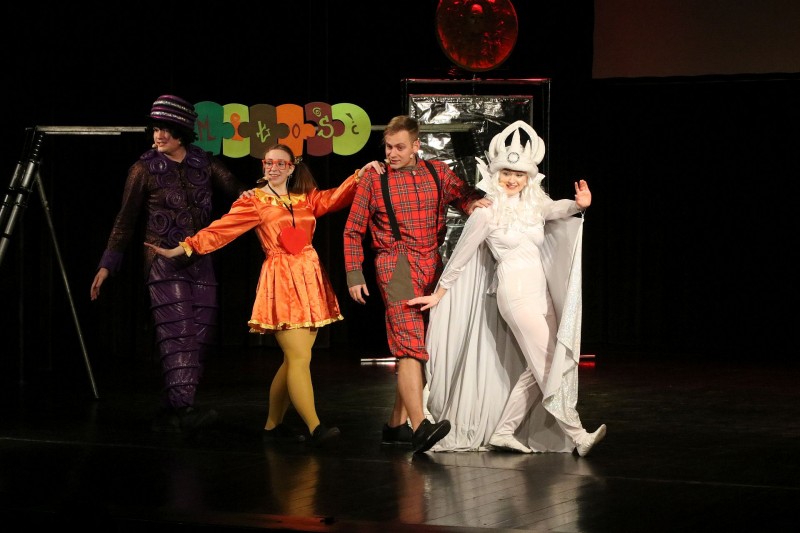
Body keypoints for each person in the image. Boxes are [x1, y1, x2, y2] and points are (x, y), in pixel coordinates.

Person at [146, 143, 380, 447]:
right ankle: (315, 427)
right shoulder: (254, 201)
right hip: (282, 281)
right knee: (298, 358)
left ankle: (272, 426)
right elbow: (221, 230)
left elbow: (334, 198)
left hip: (310, 279)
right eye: (268, 162)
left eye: (280, 163)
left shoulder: (305, 198)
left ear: (291, 167)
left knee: (295, 359)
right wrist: (182, 248)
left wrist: (360, 175)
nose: (273, 167)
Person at [408, 120, 607, 457]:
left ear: (529, 177)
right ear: (495, 174)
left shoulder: (534, 207)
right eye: (506, 173)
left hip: (540, 294)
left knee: (539, 366)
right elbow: (461, 255)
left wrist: (579, 205)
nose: (512, 179)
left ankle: (504, 431)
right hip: (515, 296)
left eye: (519, 174)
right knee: (548, 365)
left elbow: (557, 209)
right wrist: (440, 293)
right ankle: (578, 435)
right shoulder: (486, 213)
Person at [91, 94, 248, 434]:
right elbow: (125, 220)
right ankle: (185, 409)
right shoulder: (144, 169)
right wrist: (107, 264)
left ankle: (170, 408)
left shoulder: (204, 162)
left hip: (200, 259)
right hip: (162, 263)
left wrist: (269, 197)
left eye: (165, 130)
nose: (158, 136)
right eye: (156, 129)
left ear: (182, 133)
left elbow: (238, 191)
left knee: (201, 336)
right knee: (179, 335)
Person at [343, 115, 491, 454]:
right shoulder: (374, 178)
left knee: (424, 342)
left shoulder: (436, 172)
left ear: (416, 146)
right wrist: (354, 274)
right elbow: (352, 230)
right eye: (388, 147)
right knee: (408, 342)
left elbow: (464, 195)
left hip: (432, 264)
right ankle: (420, 425)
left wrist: (475, 204)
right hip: (396, 265)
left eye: (399, 147)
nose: (391, 154)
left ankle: (395, 426)